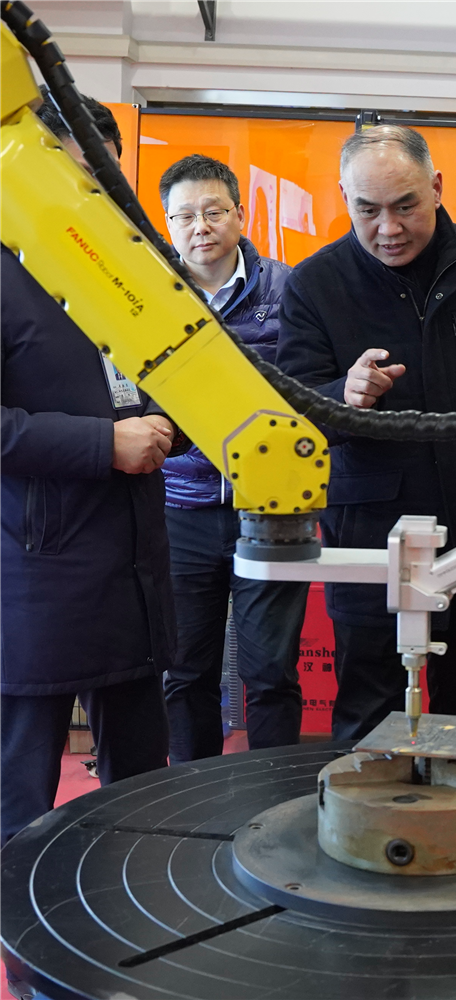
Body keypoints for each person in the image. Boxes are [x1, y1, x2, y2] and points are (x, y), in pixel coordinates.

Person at [276, 124, 456, 741]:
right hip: (374, 544)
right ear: (344, 198)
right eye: (368, 210)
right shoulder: (314, 284)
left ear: (437, 188)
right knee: (371, 729)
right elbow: (293, 416)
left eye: (406, 206)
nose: (388, 228)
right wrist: (343, 396)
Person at [2, 98, 175, 844]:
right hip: (37, 576)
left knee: (141, 802)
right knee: (20, 802)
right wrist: (103, 445)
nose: (94, 196)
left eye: (106, 179)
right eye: (79, 177)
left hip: (133, 567)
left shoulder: (133, 269)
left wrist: (174, 425)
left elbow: (171, 380)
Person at [156, 154, 309, 763]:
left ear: (240, 215)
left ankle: (274, 800)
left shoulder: (290, 289)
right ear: (168, 225)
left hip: (270, 507)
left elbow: (313, 384)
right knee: (184, 670)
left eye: (214, 210)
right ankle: (194, 794)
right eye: (184, 215)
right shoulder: (148, 294)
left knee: (271, 672)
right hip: (178, 508)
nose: (201, 226)